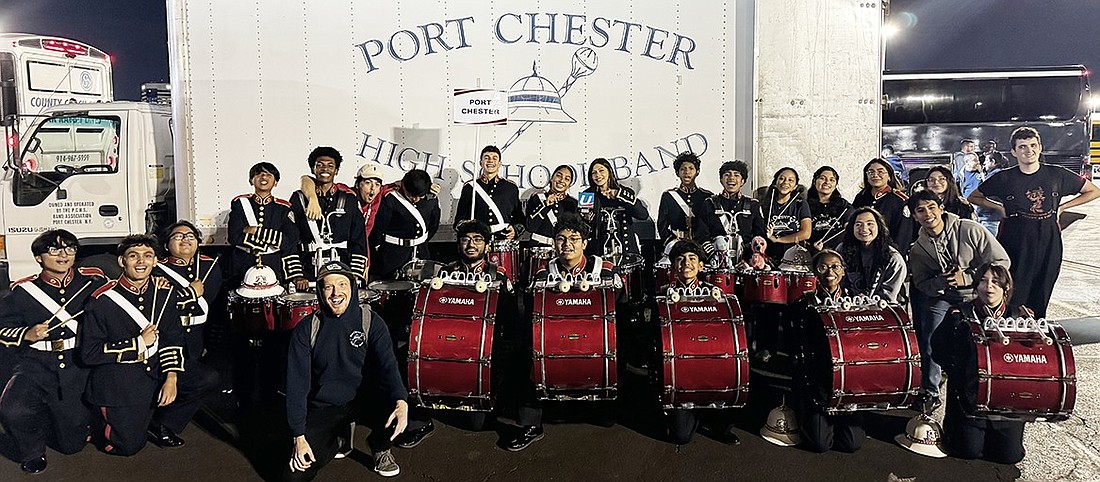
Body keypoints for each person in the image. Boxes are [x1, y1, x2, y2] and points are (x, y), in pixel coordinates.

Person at [80, 235, 220, 455]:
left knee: (206, 378)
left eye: (147, 256)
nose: (141, 262)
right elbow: (89, 353)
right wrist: (138, 343)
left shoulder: (164, 293)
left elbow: (172, 338)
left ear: (155, 262)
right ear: (121, 262)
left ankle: (162, 423)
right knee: (128, 447)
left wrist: (171, 377)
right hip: (122, 376)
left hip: (156, 367)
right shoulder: (102, 300)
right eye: (133, 256)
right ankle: (96, 420)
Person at [284, 261, 408, 480]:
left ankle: (380, 446)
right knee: (294, 477)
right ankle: (339, 439)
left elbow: (389, 365)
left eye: (342, 284)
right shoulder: (307, 329)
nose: (336, 293)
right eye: (328, 286)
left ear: (352, 286)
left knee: (402, 407)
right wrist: (298, 436)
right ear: (321, 292)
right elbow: (297, 385)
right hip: (325, 405)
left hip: (364, 398)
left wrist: (401, 401)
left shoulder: (371, 322)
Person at [507, 213, 621, 452]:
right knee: (524, 352)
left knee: (623, 343)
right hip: (554, 341)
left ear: (585, 243)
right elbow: (530, 315)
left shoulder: (606, 271)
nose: (567, 244)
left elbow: (621, 309)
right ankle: (530, 422)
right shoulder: (542, 274)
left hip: (595, 342)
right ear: (554, 243)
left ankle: (608, 403)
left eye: (574, 239)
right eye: (561, 239)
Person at [0, 230, 108, 474]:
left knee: (71, 446)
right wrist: (26, 334)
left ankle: (62, 420)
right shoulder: (23, 292)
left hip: (76, 363)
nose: (63, 255)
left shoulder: (93, 282)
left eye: (69, 249)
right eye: (54, 250)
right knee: (13, 410)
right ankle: (33, 451)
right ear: (39, 257)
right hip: (36, 363)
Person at [968, 126, 1100, 318]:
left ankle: (1036, 335)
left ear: (1040, 148)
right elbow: (974, 196)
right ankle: (1008, 334)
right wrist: (999, 207)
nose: (1028, 150)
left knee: (1042, 291)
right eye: (1022, 147)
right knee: (1012, 291)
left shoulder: (1057, 174)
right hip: (1014, 242)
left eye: (1032, 145)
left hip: (1048, 243)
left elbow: (1093, 191)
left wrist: (1063, 207)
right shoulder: (1004, 177)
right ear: (1014, 151)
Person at [907, 190, 1010, 410]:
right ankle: (931, 391)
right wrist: (940, 283)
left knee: (986, 340)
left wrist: (969, 277)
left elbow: (1002, 261)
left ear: (941, 208)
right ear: (915, 216)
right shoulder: (918, 248)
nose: (928, 214)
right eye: (920, 210)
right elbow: (921, 283)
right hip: (944, 297)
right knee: (929, 339)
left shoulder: (969, 229)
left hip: (978, 294)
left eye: (931, 207)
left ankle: (994, 383)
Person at [931, 263, 1029, 464]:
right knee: (968, 451)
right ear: (976, 286)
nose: (989, 287)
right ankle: (955, 427)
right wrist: (958, 373)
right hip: (969, 399)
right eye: (983, 281)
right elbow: (938, 346)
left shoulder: (1019, 316)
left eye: (995, 282)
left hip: (1006, 402)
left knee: (1008, 456)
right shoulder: (959, 314)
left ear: (1006, 288)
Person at [658, 240, 739, 445]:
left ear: (701, 266)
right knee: (681, 437)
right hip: (681, 369)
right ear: (673, 266)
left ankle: (712, 418)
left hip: (710, 362)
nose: (687, 263)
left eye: (692, 259)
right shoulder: (663, 293)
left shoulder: (716, 293)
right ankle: (691, 413)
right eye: (680, 259)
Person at [792, 249, 866, 453]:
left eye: (835, 266)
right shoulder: (802, 303)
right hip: (817, 380)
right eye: (823, 267)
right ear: (815, 272)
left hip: (848, 378)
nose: (829, 272)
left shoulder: (857, 301)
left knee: (852, 444)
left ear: (843, 271)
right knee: (819, 444)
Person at [290, 147, 368, 290]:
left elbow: (358, 240)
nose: (324, 169)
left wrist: (355, 274)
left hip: (342, 269)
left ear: (336, 171)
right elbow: (291, 239)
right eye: (319, 165)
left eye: (330, 165)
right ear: (313, 169)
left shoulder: (349, 199)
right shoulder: (299, 199)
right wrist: (297, 275)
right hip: (308, 270)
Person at [156, 221, 224, 360]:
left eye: (190, 236)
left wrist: (211, 344)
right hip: (170, 340)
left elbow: (216, 308)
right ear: (166, 245)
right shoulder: (156, 270)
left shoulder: (210, 265)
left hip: (199, 339)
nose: (185, 239)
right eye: (178, 236)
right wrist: (191, 293)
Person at [228, 162, 302, 284]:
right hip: (243, 264)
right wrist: (275, 238)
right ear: (251, 181)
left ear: (276, 182)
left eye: (269, 174)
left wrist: (255, 230)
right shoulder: (240, 204)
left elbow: (289, 241)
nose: (263, 177)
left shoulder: (283, 208)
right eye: (258, 174)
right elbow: (234, 237)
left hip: (273, 264)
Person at [368, 169, 441, 280]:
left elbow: (433, 225)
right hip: (393, 255)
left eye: (420, 196)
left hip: (421, 252)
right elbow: (378, 228)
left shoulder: (431, 200)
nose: (415, 199)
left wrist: (420, 241)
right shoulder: (391, 199)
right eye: (412, 195)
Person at [693, 160, 766, 262]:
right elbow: (701, 235)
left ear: (743, 181)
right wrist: (713, 255)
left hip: (746, 260)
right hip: (717, 259)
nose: (731, 178)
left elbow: (760, 234)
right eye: (727, 175)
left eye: (737, 175)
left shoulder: (753, 204)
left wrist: (752, 254)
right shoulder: (710, 203)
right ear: (721, 180)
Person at [581, 158, 648, 258]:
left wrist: (619, 195)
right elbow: (581, 227)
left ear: (609, 172)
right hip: (598, 253)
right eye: (594, 173)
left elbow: (643, 215)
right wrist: (585, 219)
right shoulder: (587, 195)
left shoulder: (624, 192)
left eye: (601, 170)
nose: (598, 175)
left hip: (625, 250)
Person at [837, 207, 906, 303]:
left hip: (883, 309)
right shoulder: (842, 250)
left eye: (870, 224)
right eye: (858, 224)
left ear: (879, 227)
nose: (864, 229)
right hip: (849, 307)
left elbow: (888, 296)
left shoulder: (893, 258)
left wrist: (867, 302)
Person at [455, 145, 525, 240]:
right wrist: (469, 228)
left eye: (494, 158)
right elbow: (458, 222)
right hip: (478, 242)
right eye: (486, 158)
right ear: (481, 163)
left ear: (500, 163)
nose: (490, 161)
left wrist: (515, 230)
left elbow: (520, 219)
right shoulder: (470, 187)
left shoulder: (510, 187)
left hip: (503, 240)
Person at [852, 158, 914, 254]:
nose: (875, 175)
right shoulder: (861, 197)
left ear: (889, 176)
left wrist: (894, 254)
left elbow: (903, 234)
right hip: (861, 252)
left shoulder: (899, 200)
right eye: (871, 172)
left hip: (887, 252)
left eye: (880, 172)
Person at [657, 152, 713, 244]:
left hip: (700, 244)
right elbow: (662, 225)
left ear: (697, 172)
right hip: (676, 243)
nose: (687, 172)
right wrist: (671, 242)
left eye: (691, 168)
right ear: (677, 173)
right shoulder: (669, 196)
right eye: (683, 169)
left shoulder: (706, 196)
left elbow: (711, 224)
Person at [759, 167, 811, 261]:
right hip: (769, 256)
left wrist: (778, 239)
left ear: (795, 186)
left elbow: (806, 233)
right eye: (782, 178)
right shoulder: (765, 204)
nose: (785, 182)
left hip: (794, 257)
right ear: (776, 182)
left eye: (790, 180)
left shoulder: (800, 204)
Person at [525, 164, 578, 247]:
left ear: (570, 184)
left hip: (563, 250)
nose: (561, 180)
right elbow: (530, 227)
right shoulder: (537, 198)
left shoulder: (573, 203)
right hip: (538, 248)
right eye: (559, 176)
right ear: (551, 178)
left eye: (567, 179)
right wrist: (545, 205)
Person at [354, 163, 394, 265]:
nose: (373, 188)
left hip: (364, 257)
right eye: (368, 183)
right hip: (345, 254)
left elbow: (405, 184)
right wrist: (312, 198)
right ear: (357, 184)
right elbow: (307, 180)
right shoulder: (347, 194)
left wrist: (429, 186)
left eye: (377, 184)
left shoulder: (378, 196)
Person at [806, 166, 852, 252]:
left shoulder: (843, 205)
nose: (827, 182)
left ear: (836, 185)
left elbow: (850, 225)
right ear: (814, 181)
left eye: (832, 180)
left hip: (838, 254)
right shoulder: (805, 205)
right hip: (810, 253)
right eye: (822, 178)